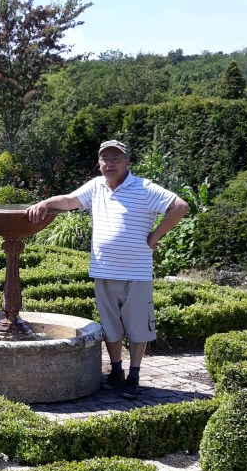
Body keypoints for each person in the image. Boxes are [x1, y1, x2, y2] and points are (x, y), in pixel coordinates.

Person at [28, 139, 189, 394]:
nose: (110, 163)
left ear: (127, 162)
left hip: (136, 272)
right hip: (104, 270)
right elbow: (69, 201)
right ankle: (116, 371)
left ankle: (134, 377)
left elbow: (180, 206)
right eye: (105, 158)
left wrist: (155, 235)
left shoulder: (144, 188)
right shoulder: (96, 187)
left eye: (116, 158)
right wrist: (44, 204)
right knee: (110, 326)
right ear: (99, 162)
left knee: (138, 328)